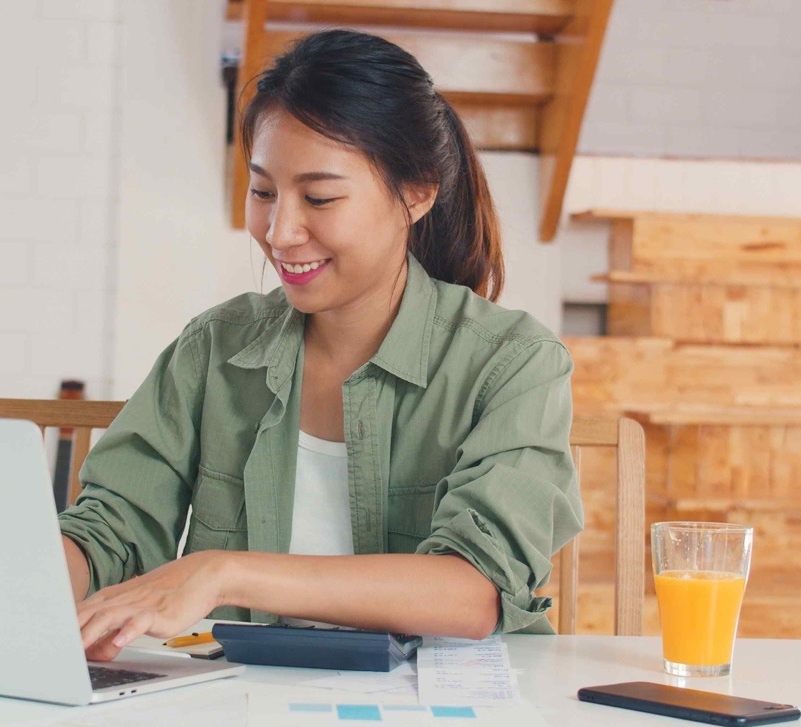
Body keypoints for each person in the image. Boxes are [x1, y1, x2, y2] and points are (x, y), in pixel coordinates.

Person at [58, 29, 582, 661]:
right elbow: (110, 530)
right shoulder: (214, 350)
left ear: (416, 193)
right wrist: (11, 583)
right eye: (262, 191)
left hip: (447, 720)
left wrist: (224, 572)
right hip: (245, 706)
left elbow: (475, 590)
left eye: (320, 196)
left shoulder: (512, 361)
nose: (280, 231)